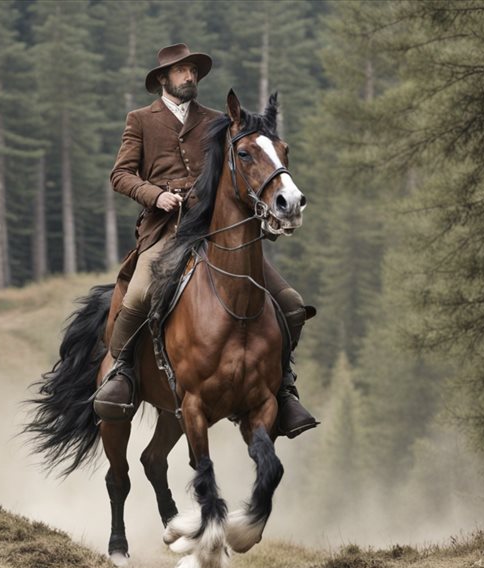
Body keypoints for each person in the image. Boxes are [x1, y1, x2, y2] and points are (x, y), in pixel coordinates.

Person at [94, 43, 318, 439]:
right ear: (163, 79)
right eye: (182, 71)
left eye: (193, 71)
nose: (190, 77)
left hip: (217, 229)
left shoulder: (217, 121)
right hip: (165, 229)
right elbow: (120, 175)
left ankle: (282, 387)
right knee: (139, 294)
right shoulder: (140, 120)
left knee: (292, 304)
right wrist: (155, 195)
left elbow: (237, 175)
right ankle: (122, 371)